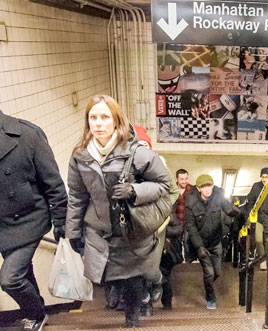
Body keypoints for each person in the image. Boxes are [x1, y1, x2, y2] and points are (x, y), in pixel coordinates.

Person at [66, 95, 172, 328]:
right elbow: (76, 196)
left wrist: (134, 190)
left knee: (133, 279)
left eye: (105, 117)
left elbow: (165, 186)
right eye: (93, 117)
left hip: (130, 229)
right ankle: (117, 291)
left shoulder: (137, 153)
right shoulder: (80, 155)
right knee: (104, 273)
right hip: (99, 228)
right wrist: (72, 231)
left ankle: (132, 319)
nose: (99, 123)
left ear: (116, 120)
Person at [0, 110, 67, 331]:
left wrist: (61, 222)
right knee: (23, 271)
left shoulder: (27, 134)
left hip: (29, 220)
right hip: (3, 225)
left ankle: (36, 313)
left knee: (10, 279)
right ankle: (37, 315)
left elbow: (53, 183)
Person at [133, 125, 179, 316]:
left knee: (151, 264)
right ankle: (145, 306)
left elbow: (174, 192)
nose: (142, 149)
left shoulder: (159, 167)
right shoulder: (127, 169)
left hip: (156, 226)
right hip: (134, 225)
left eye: (145, 144)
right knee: (136, 266)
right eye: (138, 145)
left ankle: (158, 284)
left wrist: (161, 210)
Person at [185, 174, 239, 310]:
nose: (207, 189)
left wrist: (232, 211)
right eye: (203, 187)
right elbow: (190, 227)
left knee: (217, 272)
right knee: (209, 272)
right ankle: (210, 297)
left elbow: (226, 206)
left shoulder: (218, 195)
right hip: (202, 243)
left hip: (216, 242)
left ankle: (207, 283)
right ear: (198, 188)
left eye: (209, 185)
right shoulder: (191, 204)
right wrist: (199, 247)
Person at [246, 167, 268, 269]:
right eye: (263, 177)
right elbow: (251, 201)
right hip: (258, 217)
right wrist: (250, 214)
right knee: (258, 240)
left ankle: (267, 260)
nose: (264, 179)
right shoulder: (256, 187)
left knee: (267, 241)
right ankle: (263, 259)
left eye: (266, 177)